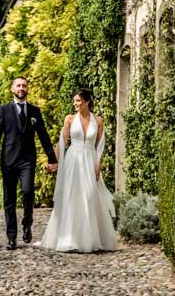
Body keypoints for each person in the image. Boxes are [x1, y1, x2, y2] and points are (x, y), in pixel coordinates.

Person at [38, 88, 118, 252]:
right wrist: (53, 161)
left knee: (89, 196)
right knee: (72, 196)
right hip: (73, 160)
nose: (75, 103)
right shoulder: (69, 119)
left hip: (90, 160)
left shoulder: (99, 121)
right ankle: (69, 238)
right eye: (74, 100)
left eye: (78, 101)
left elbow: (100, 145)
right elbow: (61, 142)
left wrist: (98, 165)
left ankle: (90, 239)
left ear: (87, 101)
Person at [0, 76, 58, 250]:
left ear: (27, 89)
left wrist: (52, 159)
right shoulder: (4, 110)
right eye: (18, 85)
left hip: (27, 160)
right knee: (9, 200)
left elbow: (43, 136)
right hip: (8, 161)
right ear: (12, 89)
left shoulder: (35, 111)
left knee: (27, 192)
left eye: (24, 86)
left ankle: (27, 223)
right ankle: (11, 237)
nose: (21, 88)